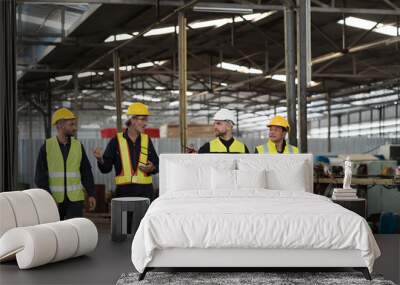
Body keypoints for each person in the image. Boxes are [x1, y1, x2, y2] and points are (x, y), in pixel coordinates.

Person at [35, 108, 96, 220]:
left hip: (75, 201)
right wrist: (48, 197)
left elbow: (86, 172)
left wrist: (91, 193)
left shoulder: (78, 146)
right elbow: (40, 177)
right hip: (54, 201)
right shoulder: (47, 147)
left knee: (74, 233)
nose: (75, 128)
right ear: (60, 125)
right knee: (56, 233)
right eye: (71, 124)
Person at [93, 102, 159, 201]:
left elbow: (157, 164)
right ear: (132, 120)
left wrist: (152, 168)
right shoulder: (116, 141)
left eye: (146, 120)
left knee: (145, 217)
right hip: (123, 194)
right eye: (143, 119)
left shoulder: (147, 140)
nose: (146, 124)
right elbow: (106, 168)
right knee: (125, 217)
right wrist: (100, 159)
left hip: (145, 193)